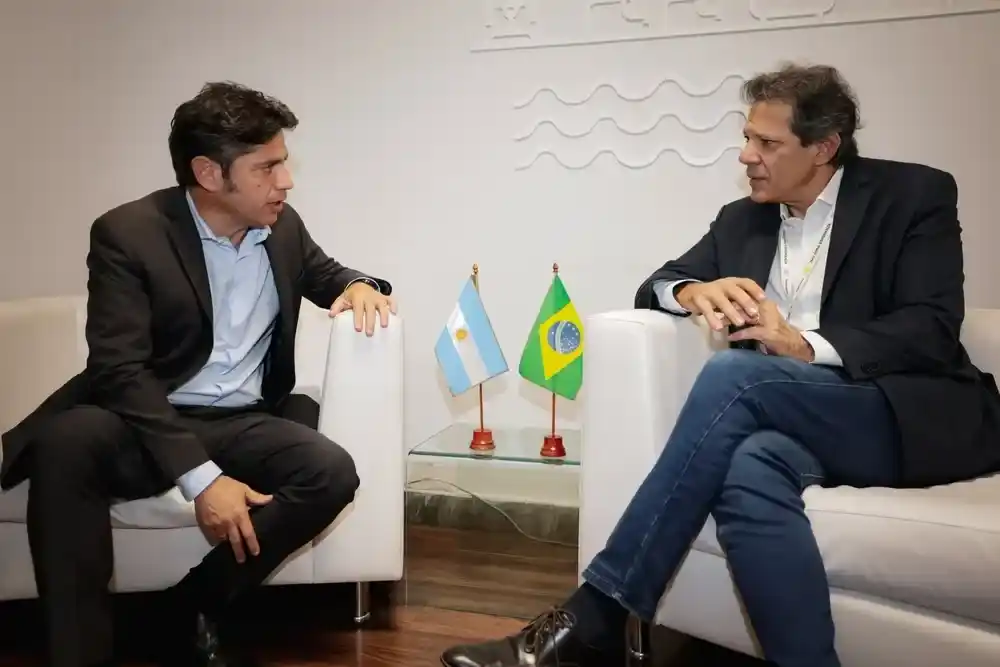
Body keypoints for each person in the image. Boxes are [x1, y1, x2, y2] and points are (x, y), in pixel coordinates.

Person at [440, 63, 1000, 667]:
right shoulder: (743, 219)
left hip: (902, 411)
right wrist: (688, 293)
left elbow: (931, 326)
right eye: (747, 137)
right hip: (795, 418)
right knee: (749, 468)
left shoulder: (912, 196)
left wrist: (805, 346)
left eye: (767, 143)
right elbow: (654, 284)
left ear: (824, 147)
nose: (747, 156)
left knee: (738, 374)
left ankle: (596, 613)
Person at [0, 81, 396, 667]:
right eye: (267, 167)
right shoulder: (129, 235)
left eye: (283, 163)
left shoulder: (282, 226)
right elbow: (119, 370)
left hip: (241, 419)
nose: (285, 181)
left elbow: (327, 273)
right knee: (67, 444)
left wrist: (360, 285)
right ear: (210, 174)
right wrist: (202, 479)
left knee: (329, 471)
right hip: (143, 419)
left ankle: (181, 610)